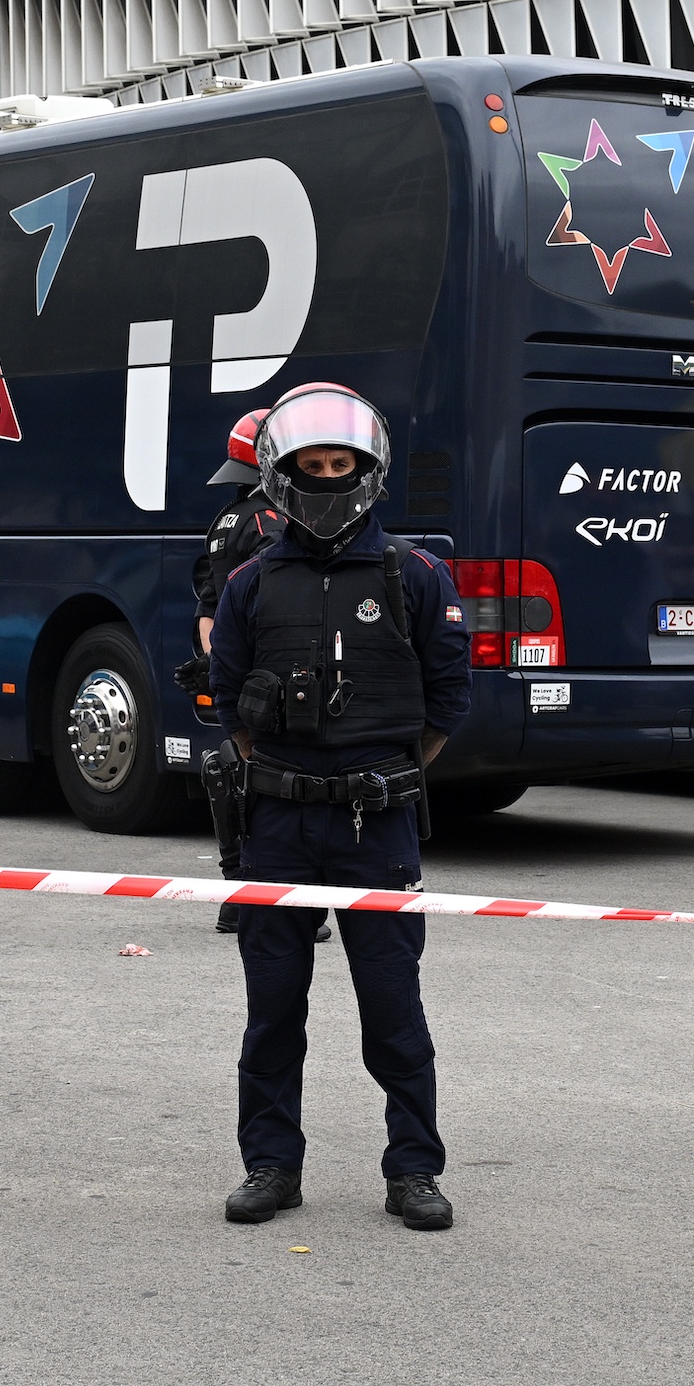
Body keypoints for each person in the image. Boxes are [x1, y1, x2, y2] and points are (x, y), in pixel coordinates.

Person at [205, 385, 470, 1232]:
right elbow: (224, 699)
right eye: (311, 465)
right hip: (277, 823)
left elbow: (447, 702)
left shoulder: (417, 576)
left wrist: (377, 775)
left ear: (367, 469)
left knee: (394, 1007)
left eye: (340, 464)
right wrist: (290, 775)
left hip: (377, 825)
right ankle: (271, 1164)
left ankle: (414, 1170)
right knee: (272, 1008)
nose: (327, 478)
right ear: (281, 475)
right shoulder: (249, 583)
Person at [193, 407, 290, 937]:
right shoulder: (271, 521)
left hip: (236, 667)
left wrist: (216, 666)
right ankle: (270, 897)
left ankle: (238, 893)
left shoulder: (224, 520)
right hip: (273, 669)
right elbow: (280, 601)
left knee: (229, 768)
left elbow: (209, 608)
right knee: (280, 781)